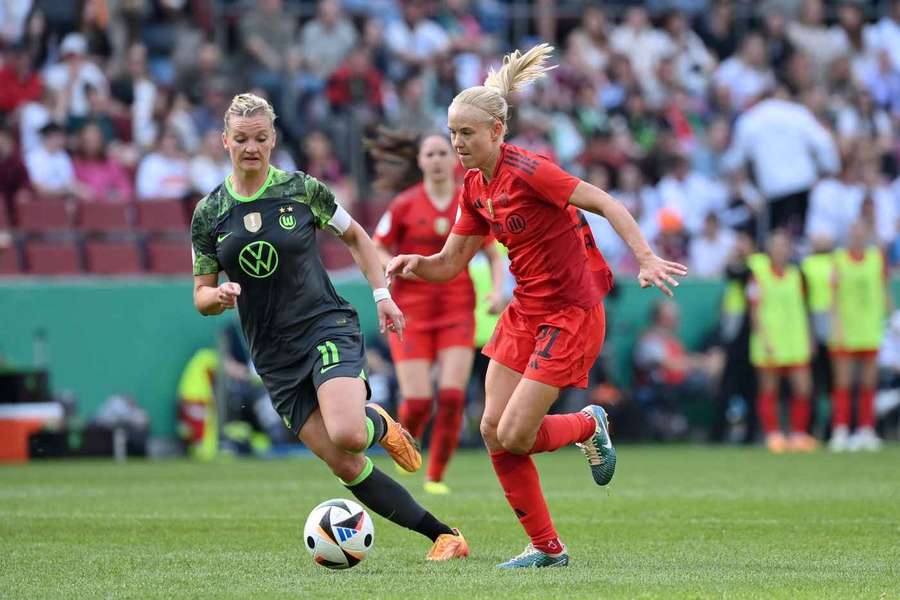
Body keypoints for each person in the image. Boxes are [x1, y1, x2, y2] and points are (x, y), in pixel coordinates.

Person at [386, 45, 687, 568]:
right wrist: (417, 263)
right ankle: (548, 548)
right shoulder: (475, 187)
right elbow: (451, 262)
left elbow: (607, 202)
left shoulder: (532, 171)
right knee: (491, 430)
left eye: (467, 133)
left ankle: (590, 425)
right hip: (526, 309)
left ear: (497, 132)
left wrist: (644, 257)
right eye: (453, 132)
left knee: (517, 434)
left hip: (571, 312)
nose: (457, 143)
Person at [190, 93, 468, 561]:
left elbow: (357, 236)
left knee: (349, 435)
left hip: (324, 326)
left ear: (273, 139)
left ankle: (374, 423)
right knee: (344, 462)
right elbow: (200, 293)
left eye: (260, 138)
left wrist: (382, 295)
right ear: (225, 142)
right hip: (273, 356)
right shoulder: (209, 213)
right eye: (241, 139)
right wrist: (215, 298)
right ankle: (444, 536)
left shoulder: (302, 189)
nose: (251, 147)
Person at [370, 128, 506, 495]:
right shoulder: (404, 205)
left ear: (453, 158)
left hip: (457, 308)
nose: (437, 160)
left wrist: (497, 290)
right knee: (417, 400)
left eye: (442, 153)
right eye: (429, 154)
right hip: (411, 312)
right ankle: (403, 451)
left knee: (450, 397)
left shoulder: (471, 200)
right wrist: (390, 268)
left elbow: (494, 253)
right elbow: (377, 247)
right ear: (420, 162)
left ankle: (435, 476)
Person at [746, 230, 818, 453]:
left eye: (784, 245)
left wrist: (809, 336)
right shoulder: (758, 275)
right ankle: (773, 434)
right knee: (769, 389)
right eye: (776, 245)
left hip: (795, 340)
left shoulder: (798, 275)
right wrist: (763, 337)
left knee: (803, 388)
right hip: (770, 340)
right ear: (769, 250)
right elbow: (754, 310)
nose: (780, 250)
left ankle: (798, 434)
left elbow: (805, 309)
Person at [828, 222, 889, 452]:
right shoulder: (839, 260)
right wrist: (836, 325)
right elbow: (832, 295)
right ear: (848, 237)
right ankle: (841, 429)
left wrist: (891, 318)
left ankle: (866, 429)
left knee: (868, 382)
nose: (857, 237)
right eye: (853, 233)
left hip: (870, 328)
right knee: (843, 382)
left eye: (860, 234)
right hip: (846, 329)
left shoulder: (876, 259)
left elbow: (882, 289)